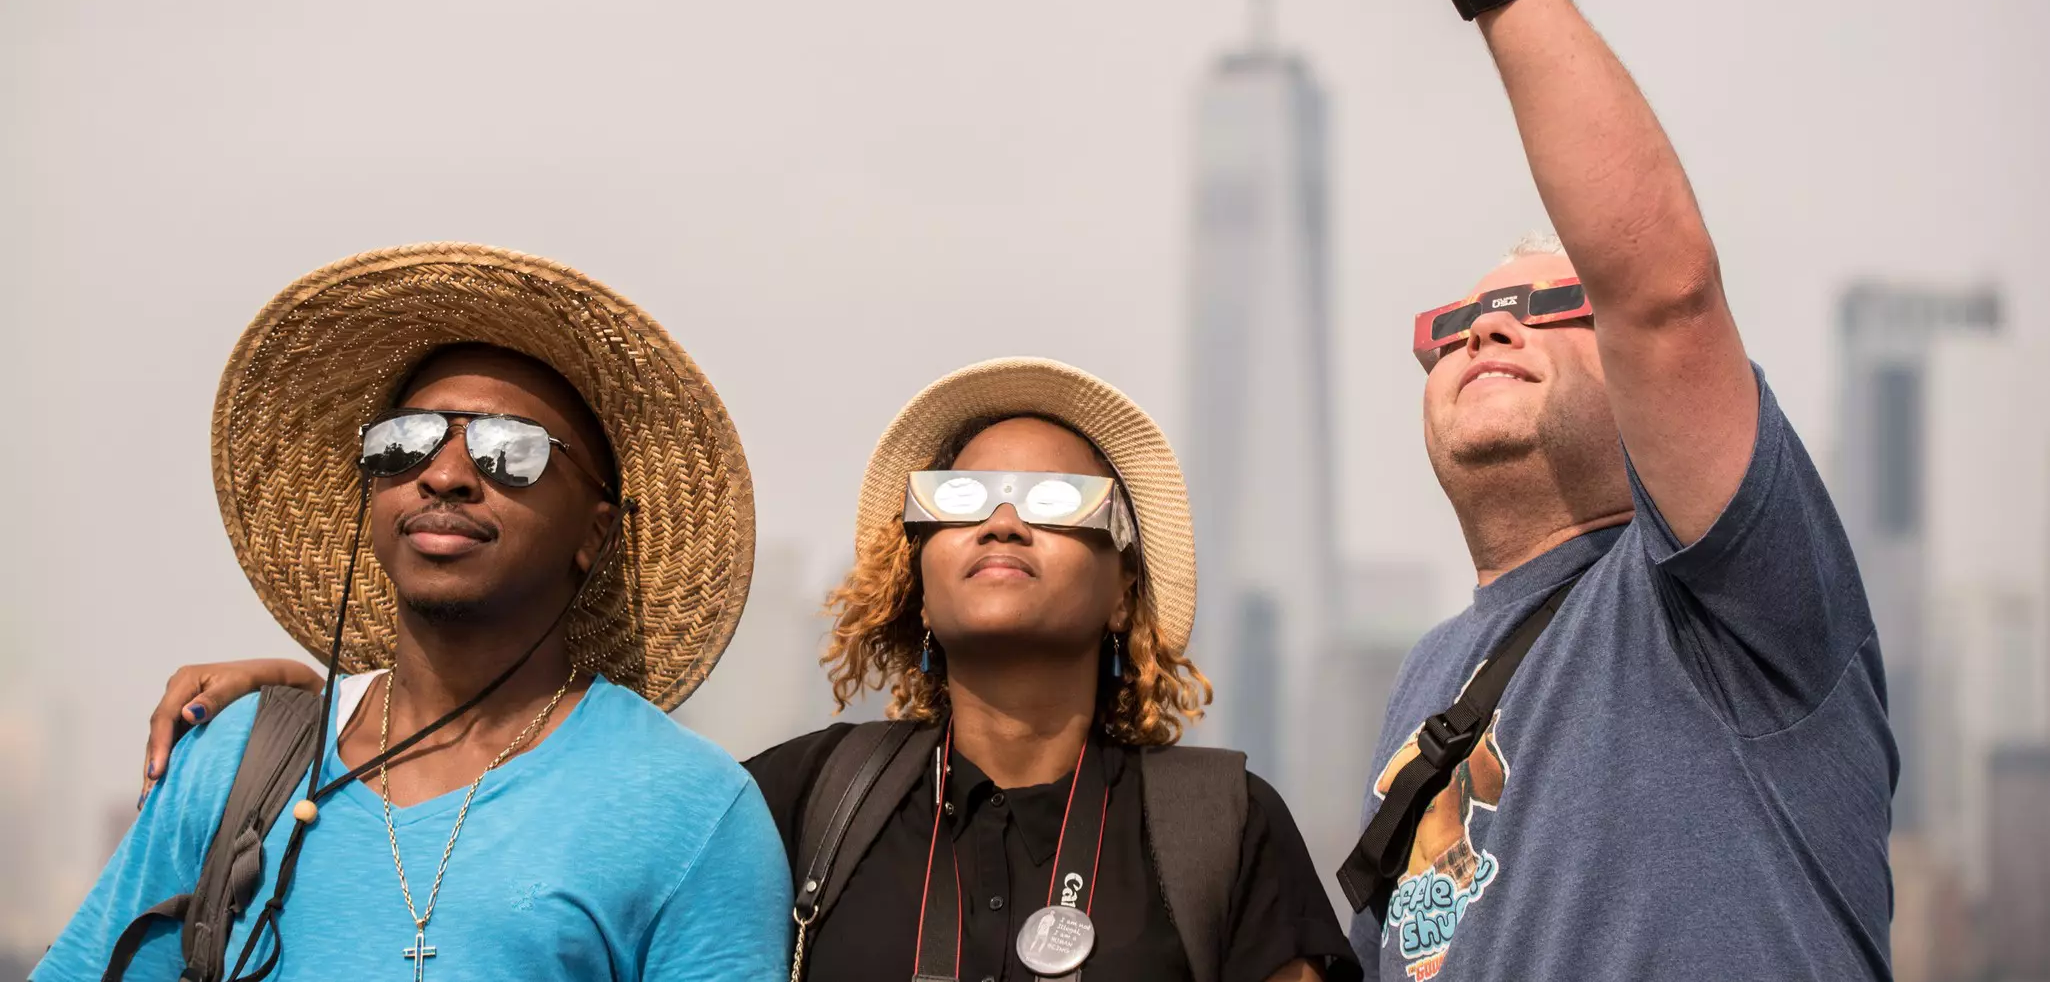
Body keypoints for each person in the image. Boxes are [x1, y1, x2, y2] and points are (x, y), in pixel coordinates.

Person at [138, 357, 1360, 982]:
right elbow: (560, 774)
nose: (1000, 519)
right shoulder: (794, 800)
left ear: (1123, 584)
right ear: (911, 570)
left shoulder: (1216, 825)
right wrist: (332, 699)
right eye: (957, 496)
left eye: (1054, 501)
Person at [1335, 0, 1896, 980]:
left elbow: (1663, 292)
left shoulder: (1729, 596)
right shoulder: (1428, 674)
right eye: (1459, 322)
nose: (1490, 324)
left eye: (1550, 305)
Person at [38, 244, 791, 981]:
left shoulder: (688, 809)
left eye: (511, 449)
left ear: (594, 533)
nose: (446, 473)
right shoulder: (235, 759)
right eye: (405, 441)